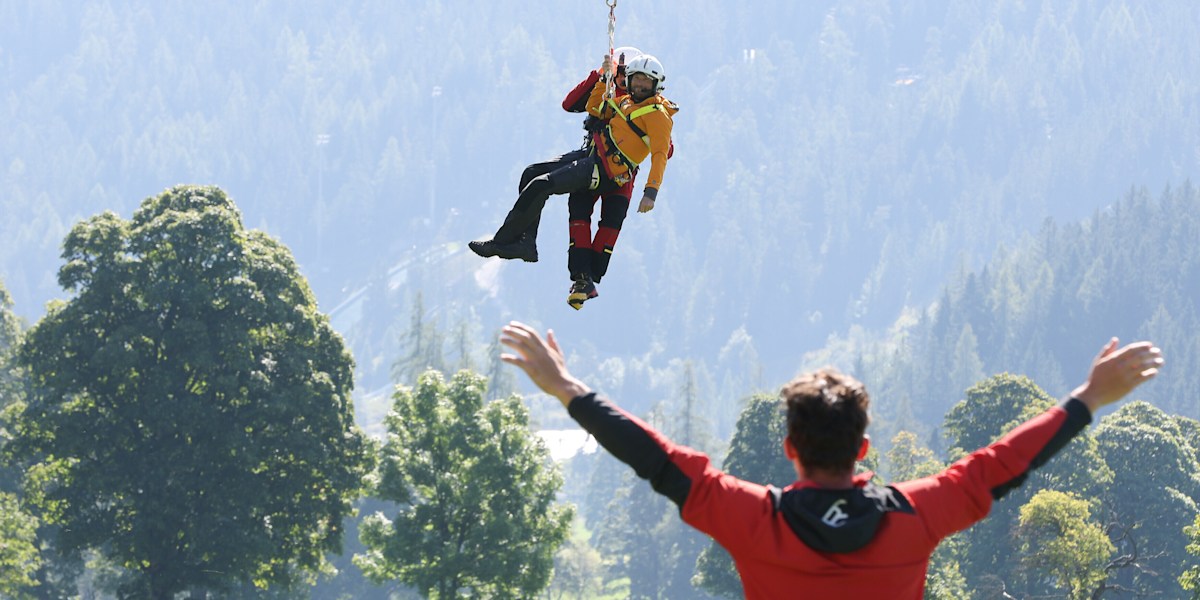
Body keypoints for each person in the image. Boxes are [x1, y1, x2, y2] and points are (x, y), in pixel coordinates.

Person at [497, 321, 1165, 598]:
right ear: (864, 449)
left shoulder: (753, 520)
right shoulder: (916, 517)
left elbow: (655, 458)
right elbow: (1000, 465)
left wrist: (568, 389)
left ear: (789, 449)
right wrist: (1086, 399)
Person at [469, 53, 678, 309]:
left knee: (541, 185)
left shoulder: (657, 115)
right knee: (531, 174)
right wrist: (604, 78)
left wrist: (651, 191)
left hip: (603, 171)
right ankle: (525, 242)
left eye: (646, 84)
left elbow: (660, 154)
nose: (640, 87)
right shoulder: (625, 102)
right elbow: (594, 107)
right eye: (637, 81)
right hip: (592, 157)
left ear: (656, 86)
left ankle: (503, 242)